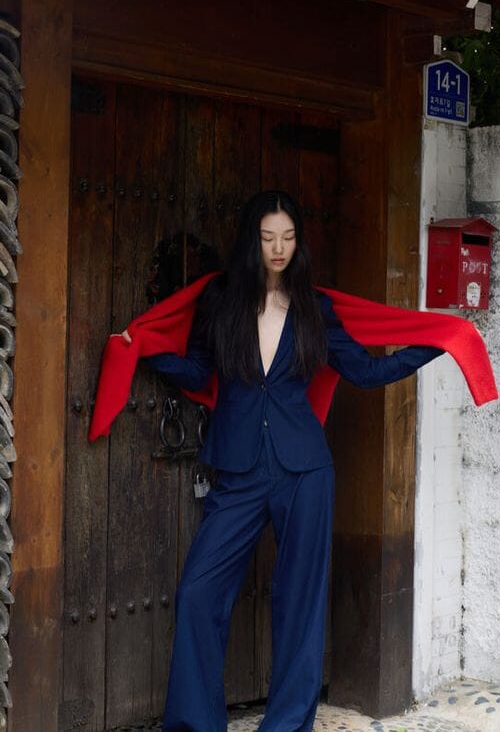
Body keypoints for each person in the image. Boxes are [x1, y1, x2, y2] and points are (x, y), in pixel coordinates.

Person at [118, 190, 445, 732]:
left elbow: (364, 372)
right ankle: (197, 725)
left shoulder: (317, 309)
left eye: (288, 238)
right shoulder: (221, 300)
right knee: (198, 592)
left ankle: (287, 726)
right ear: (253, 239)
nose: (279, 248)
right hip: (239, 470)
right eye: (269, 237)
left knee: (300, 602)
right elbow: (201, 373)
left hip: (305, 471)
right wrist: (144, 350)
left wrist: (436, 342)